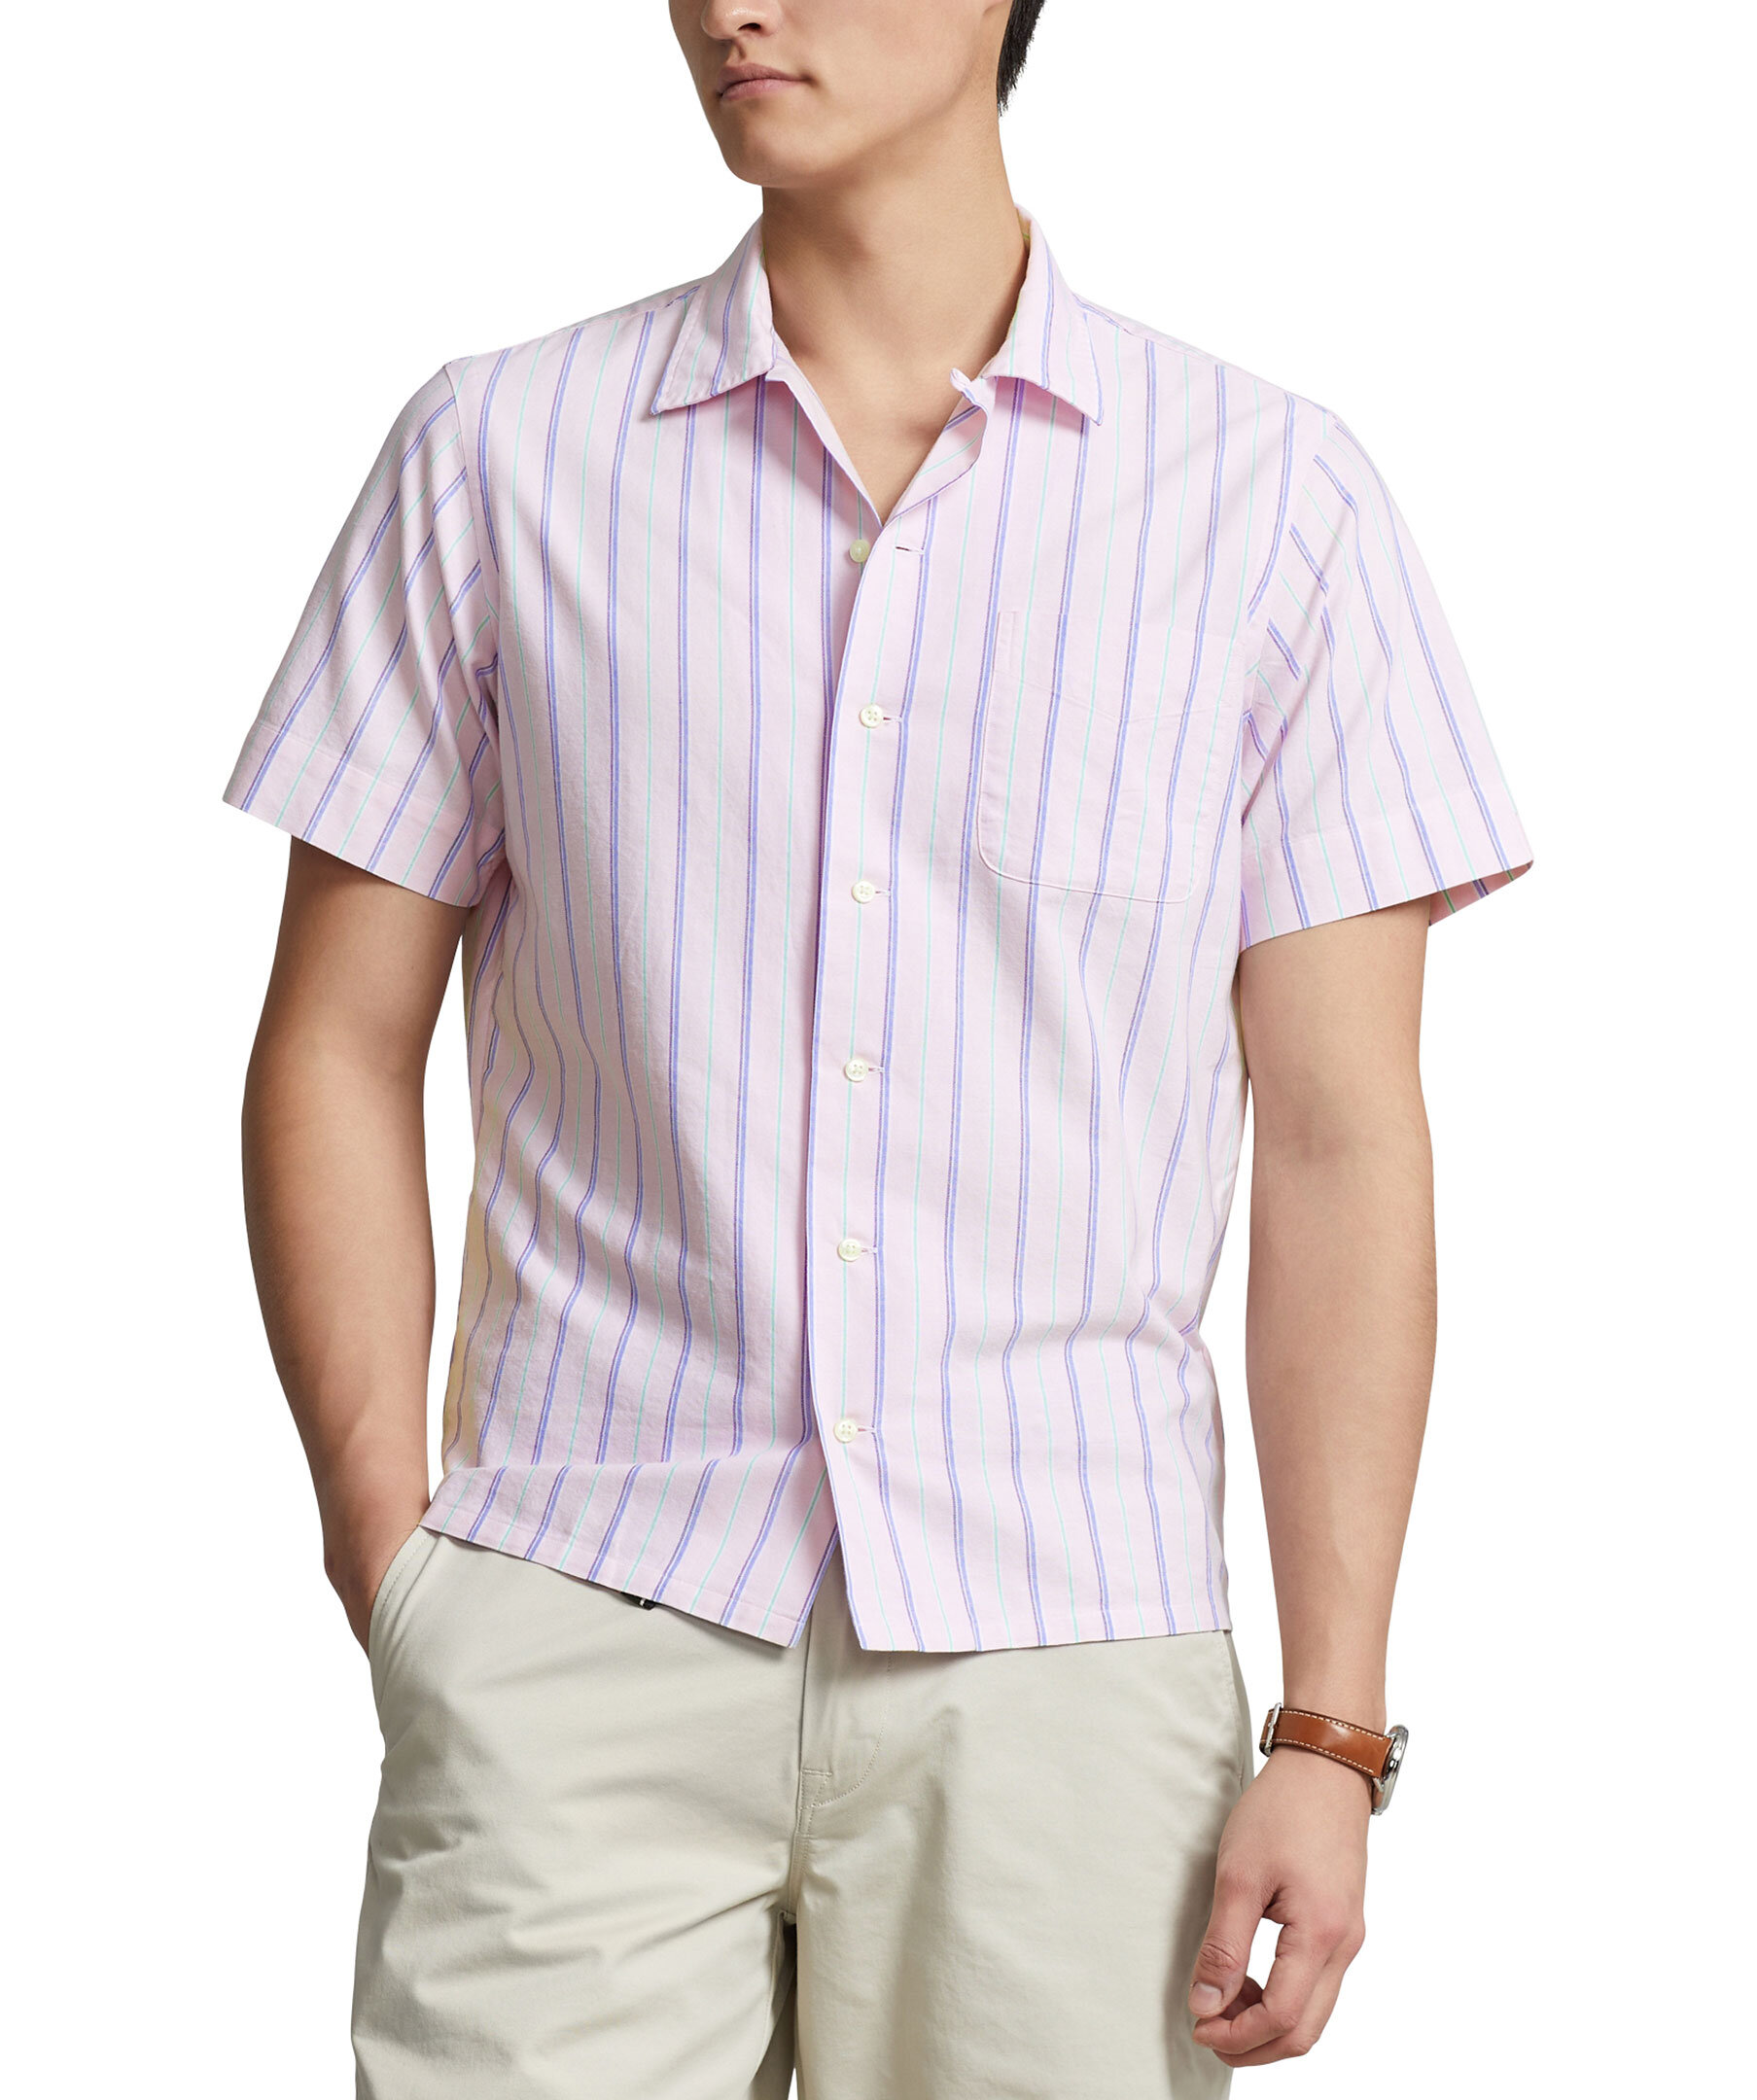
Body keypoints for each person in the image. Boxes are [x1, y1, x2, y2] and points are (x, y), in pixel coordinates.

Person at [221, 2, 1532, 2092]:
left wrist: (1331, 1728)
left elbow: (1338, 1142)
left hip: (1065, 1668)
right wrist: (403, 1570)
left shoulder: (1269, 501)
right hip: (578, 1613)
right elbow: (335, 1041)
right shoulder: (497, 456)